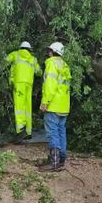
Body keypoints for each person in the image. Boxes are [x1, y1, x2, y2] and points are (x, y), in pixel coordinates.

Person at [38, 42, 71, 172]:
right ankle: (61, 160)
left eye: (49, 51)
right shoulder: (65, 65)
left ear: (52, 51)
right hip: (64, 106)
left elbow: (50, 86)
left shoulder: (51, 63)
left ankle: (54, 162)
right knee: (61, 132)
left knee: (52, 133)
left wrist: (45, 102)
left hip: (53, 105)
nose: (48, 54)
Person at [5, 41, 41, 142]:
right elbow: (39, 72)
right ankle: (28, 132)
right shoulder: (33, 59)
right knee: (27, 107)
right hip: (29, 84)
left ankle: (20, 130)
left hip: (18, 83)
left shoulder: (15, 54)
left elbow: (4, 62)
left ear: (20, 48)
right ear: (29, 49)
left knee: (19, 107)